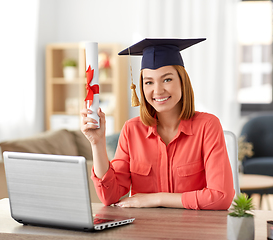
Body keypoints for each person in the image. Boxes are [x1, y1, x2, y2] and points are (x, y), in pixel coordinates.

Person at [80, 38, 234, 210]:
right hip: (144, 228)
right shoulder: (132, 130)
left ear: (183, 81)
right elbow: (109, 197)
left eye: (167, 79)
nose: (158, 90)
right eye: (149, 82)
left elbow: (221, 197)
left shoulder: (208, 126)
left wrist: (156, 199)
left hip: (192, 229)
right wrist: (97, 143)